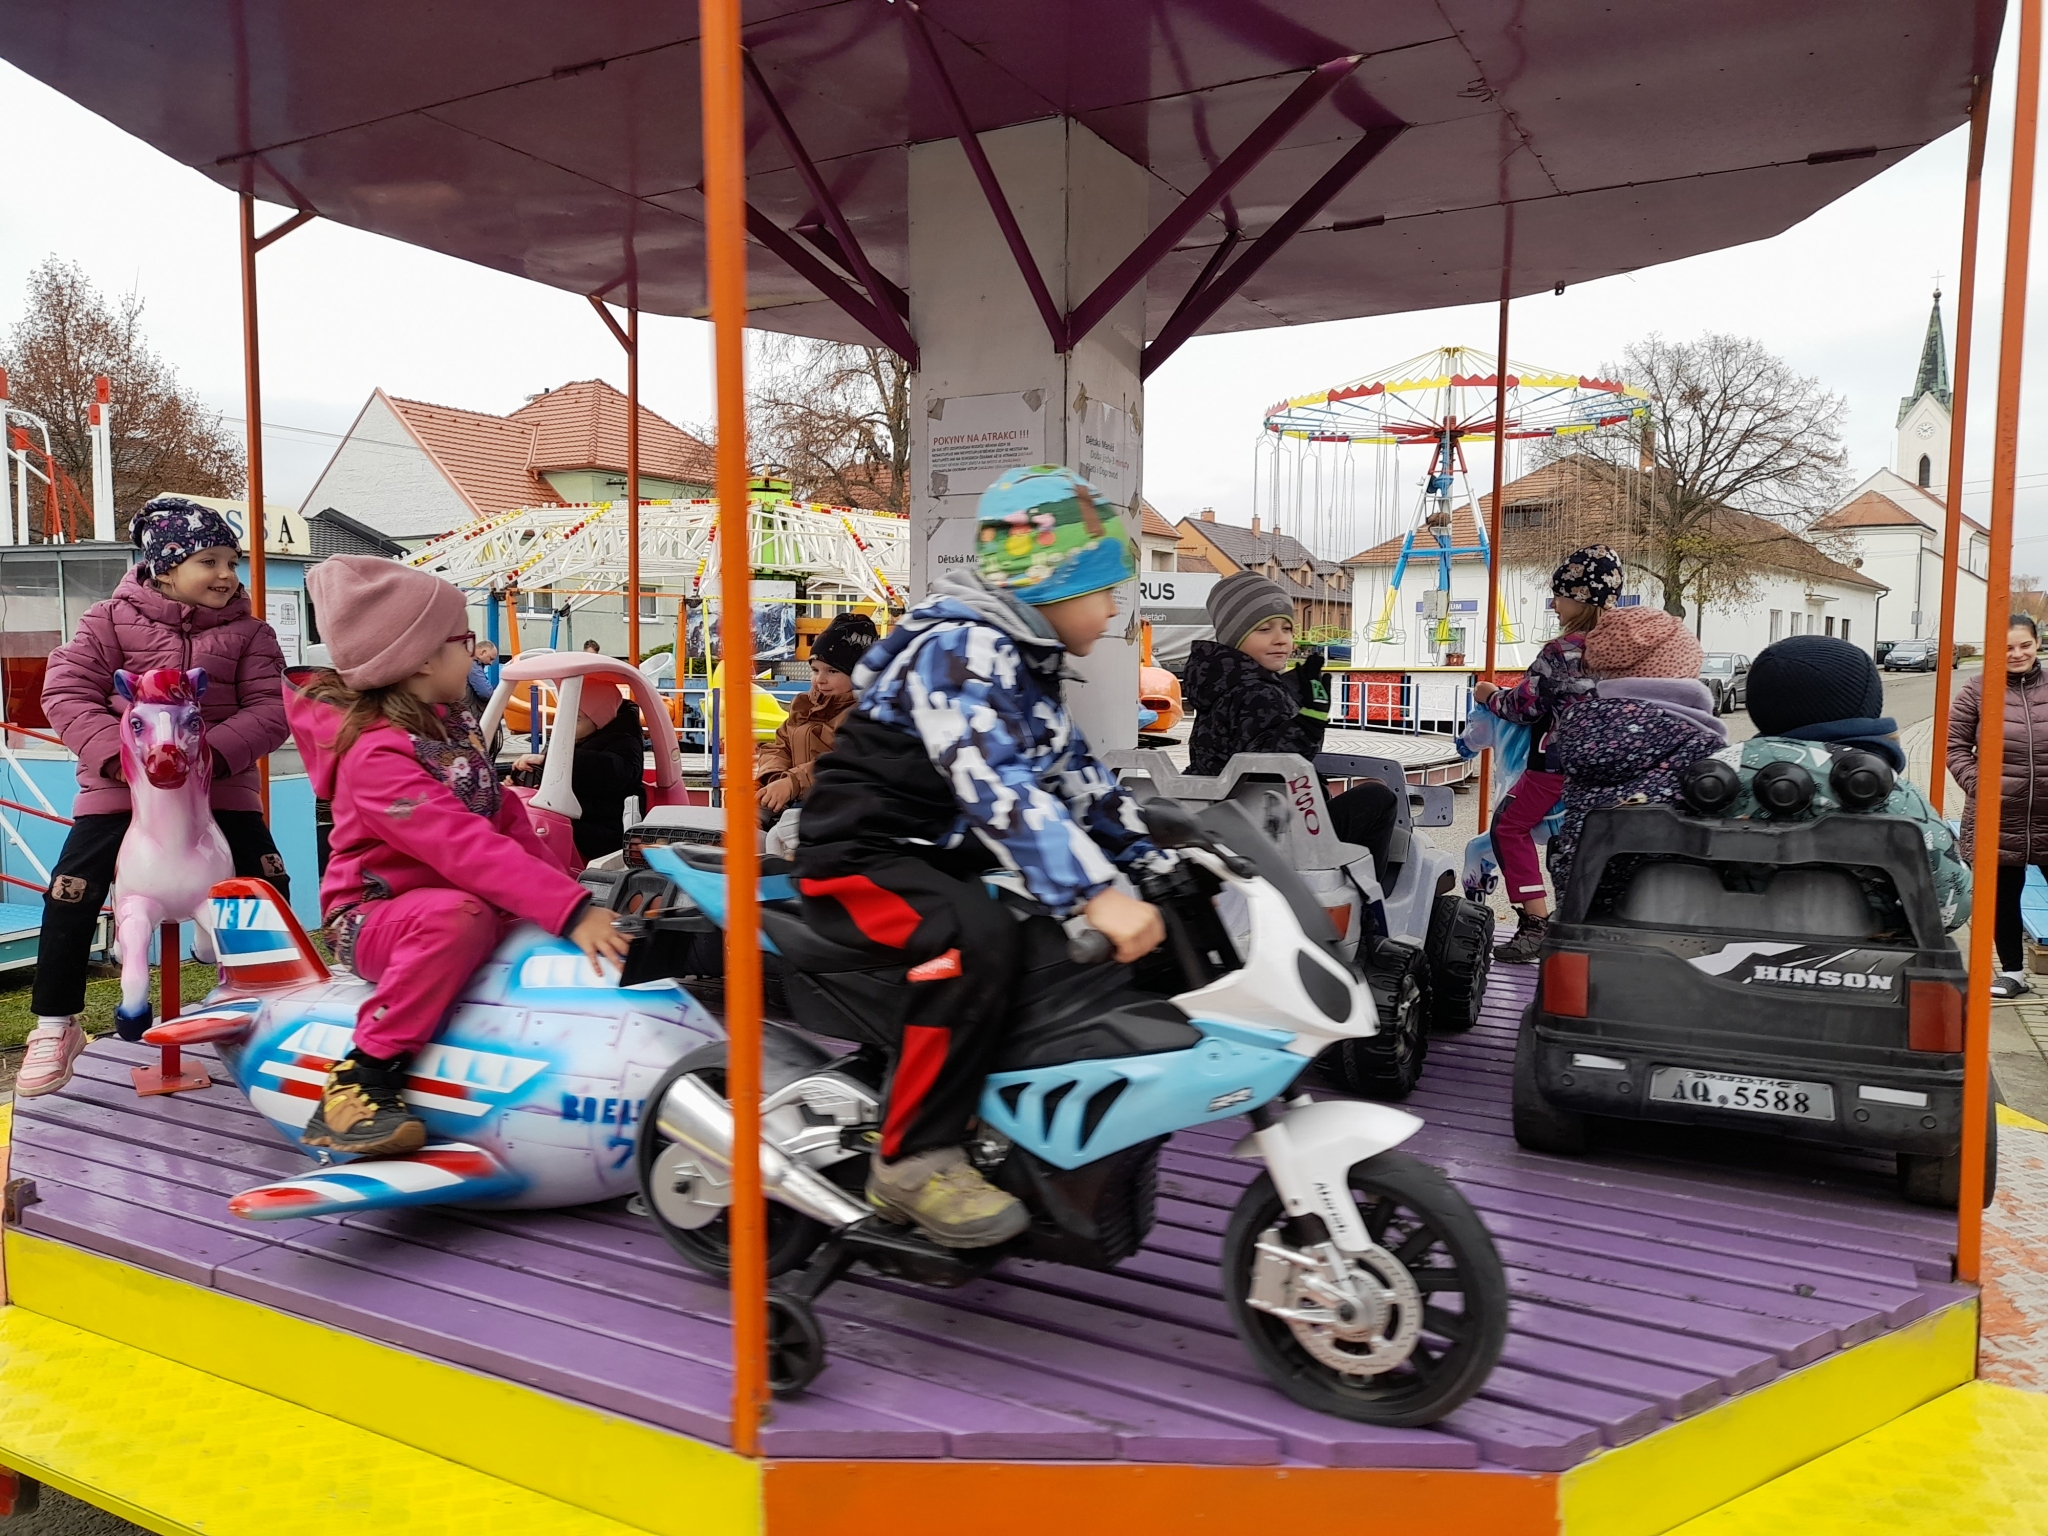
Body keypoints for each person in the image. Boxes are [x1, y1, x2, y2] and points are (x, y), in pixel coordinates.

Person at [796, 465, 1170, 1249]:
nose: (1114, 609)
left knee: (1034, 940)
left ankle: (986, 1115)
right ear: (1051, 582)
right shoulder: (959, 651)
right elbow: (994, 782)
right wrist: (1094, 894)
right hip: (860, 854)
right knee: (970, 942)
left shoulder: (1026, 666)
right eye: (1103, 590)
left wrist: (1154, 861)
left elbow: (1079, 781)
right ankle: (911, 1159)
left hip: (930, 855)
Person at [288, 555, 629, 1155]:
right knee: (459, 918)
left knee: (511, 918)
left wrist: (571, 895)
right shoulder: (376, 757)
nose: (474, 655)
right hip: (373, 917)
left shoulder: (450, 728)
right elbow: (460, 845)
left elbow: (505, 820)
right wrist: (569, 911)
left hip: (455, 903)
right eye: (463, 641)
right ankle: (362, 1077)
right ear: (420, 658)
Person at [19, 497, 292, 1097]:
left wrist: (208, 757)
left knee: (267, 882)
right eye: (209, 561)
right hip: (120, 789)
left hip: (220, 787)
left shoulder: (251, 634)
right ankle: (56, 1023)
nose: (227, 575)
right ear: (164, 567)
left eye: (232, 562)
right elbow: (66, 692)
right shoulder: (107, 621)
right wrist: (121, 758)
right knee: (72, 889)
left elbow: (272, 709)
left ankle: (272, 1002)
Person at [1689, 635, 1968, 929]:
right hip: (1866, 950)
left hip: (1716, 942)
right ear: (1863, 706)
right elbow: (1950, 909)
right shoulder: (1891, 795)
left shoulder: (1708, 780)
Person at [1183, 571, 1400, 884]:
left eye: (1286, 628)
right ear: (1234, 637)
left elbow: (1251, 735)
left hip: (1231, 820)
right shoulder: (1257, 691)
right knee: (1378, 798)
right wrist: (1310, 720)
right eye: (1264, 629)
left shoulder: (1220, 687)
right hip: (1279, 830)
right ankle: (1366, 892)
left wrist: (1292, 694)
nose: (1281, 638)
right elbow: (1273, 763)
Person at [1471, 545, 1625, 962]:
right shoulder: (1628, 647)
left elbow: (1525, 707)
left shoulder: (1562, 651)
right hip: (1615, 768)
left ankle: (1535, 923)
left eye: (1559, 595)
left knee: (1508, 826)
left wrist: (1489, 696)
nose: (1554, 604)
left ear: (1580, 598)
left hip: (1556, 766)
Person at [1548, 605, 1727, 897]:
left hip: (1582, 896)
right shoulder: (1702, 744)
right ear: (1681, 676)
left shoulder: (1581, 728)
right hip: (1675, 901)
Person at [1948, 614, 2048, 997]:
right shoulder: (1977, 691)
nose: (2017, 653)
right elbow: (1955, 747)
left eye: (2024, 645)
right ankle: (2012, 973)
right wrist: (1982, 788)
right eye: (2007, 647)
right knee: (2003, 896)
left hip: (2046, 812)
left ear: (2037, 644)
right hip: (1998, 814)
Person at [757, 611, 879, 838]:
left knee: (778, 840)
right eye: (815, 670)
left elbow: (845, 761)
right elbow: (779, 745)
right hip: (797, 801)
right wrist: (774, 777)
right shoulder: (804, 706)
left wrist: (792, 783)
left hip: (838, 811)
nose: (820, 680)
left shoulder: (865, 715)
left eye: (832, 671)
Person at [511, 681, 648, 862]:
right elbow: (550, 775)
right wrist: (521, 778)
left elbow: (612, 771)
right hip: (570, 814)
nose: (568, 723)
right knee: (516, 820)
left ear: (599, 721)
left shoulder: (625, 743)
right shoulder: (569, 737)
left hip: (606, 824)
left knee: (537, 832)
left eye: (576, 719)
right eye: (566, 716)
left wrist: (552, 761)